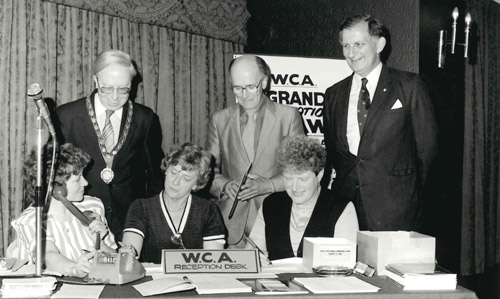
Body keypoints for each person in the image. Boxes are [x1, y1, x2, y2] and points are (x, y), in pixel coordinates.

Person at [322, 14, 438, 231]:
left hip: (396, 210)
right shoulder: (333, 94)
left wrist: (410, 199)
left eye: (358, 44)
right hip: (345, 208)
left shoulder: (410, 86)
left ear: (380, 44)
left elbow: (427, 152)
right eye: (345, 45)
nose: (351, 53)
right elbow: (332, 154)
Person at [56, 49, 165, 239]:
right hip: (81, 219)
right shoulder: (67, 116)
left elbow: (154, 175)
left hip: (131, 221)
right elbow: (53, 174)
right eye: (106, 88)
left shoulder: (145, 119)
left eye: (123, 89)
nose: (114, 96)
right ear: (95, 80)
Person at [205, 54, 305, 247]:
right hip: (230, 225)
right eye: (238, 88)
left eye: (251, 86)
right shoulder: (219, 120)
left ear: (265, 82)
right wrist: (225, 186)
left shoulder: (289, 116)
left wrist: (268, 185)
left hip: (276, 218)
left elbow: (301, 171)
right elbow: (207, 173)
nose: (245, 94)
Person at [7, 143, 116, 277]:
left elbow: (115, 263)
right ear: (56, 189)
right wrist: (74, 269)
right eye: (78, 180)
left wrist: (100, 240)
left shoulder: (93, 206)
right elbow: (48, 254)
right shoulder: (32, 220)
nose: (86, 183)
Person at [248, 136, 358, 261]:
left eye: (303, 179)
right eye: (288, 178)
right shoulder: (271, 204)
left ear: (319, 175)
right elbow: (252, 255)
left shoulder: (342, 208)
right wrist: (257, 260)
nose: (294, 187)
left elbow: (345, 263)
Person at [119, 143, 226, 263]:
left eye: (186, 179)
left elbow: (214, 262)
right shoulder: (140, 208)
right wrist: (128, 253)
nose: (175, 182)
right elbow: (129, 255)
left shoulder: (208, 210)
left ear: (197, 184)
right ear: (165, 171)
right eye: (173, 173)